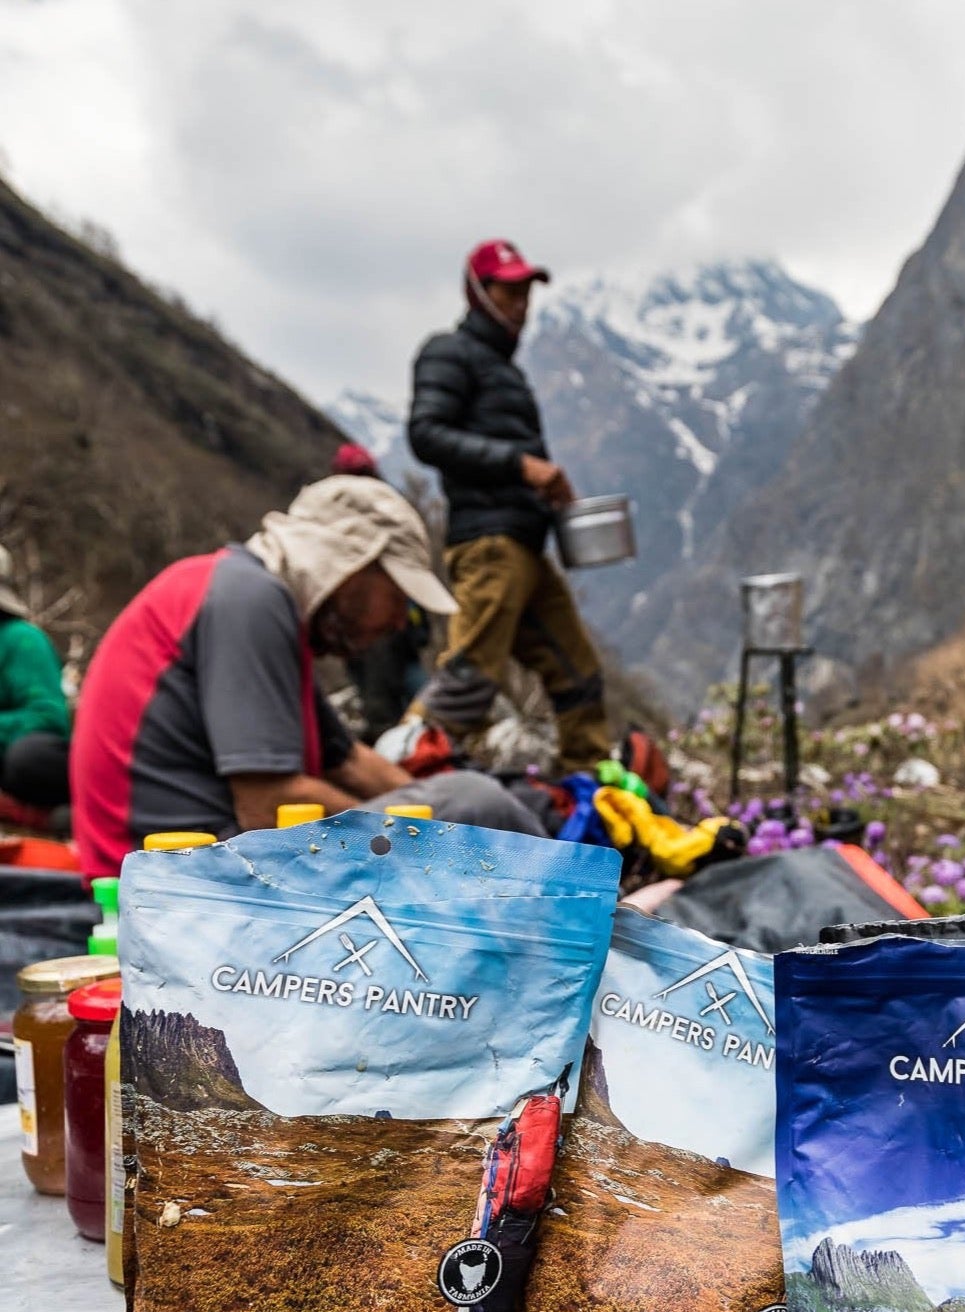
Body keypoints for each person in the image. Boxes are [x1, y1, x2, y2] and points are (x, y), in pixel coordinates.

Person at [70, 476, 546, 880]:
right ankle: (595, 932)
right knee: (474, 800)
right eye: (399, 595)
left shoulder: (249, 597)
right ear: (352, 563)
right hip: (181, 871)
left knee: (460, 801)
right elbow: (268, 804)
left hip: (179, 864)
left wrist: (416, 809)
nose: (402, 621)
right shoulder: (249, 599)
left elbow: (348, 760)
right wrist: (425, 825)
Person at [407, 238, 611, 774]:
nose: (521, 303)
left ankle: (590, 788)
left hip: (523, 542)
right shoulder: (448, 352)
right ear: (479, 293)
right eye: (509, 290)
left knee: (577, 671)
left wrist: (545, 494)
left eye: (525, 291)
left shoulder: (505, 370)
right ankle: (397, 782)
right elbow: (426, 434)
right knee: (471, 676)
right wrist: (522, 467)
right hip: (488, 544)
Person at [327, 443, 432, 741]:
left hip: (387, 633)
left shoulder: (347, 512)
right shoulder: (379, 509)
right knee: (389, 704)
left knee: (403, 702)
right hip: (377, 633)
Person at [0, 545, 72, 819]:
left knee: (28, 758)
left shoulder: (21, 639)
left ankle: (60, 815)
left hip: (20, 761)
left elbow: (48, 716)